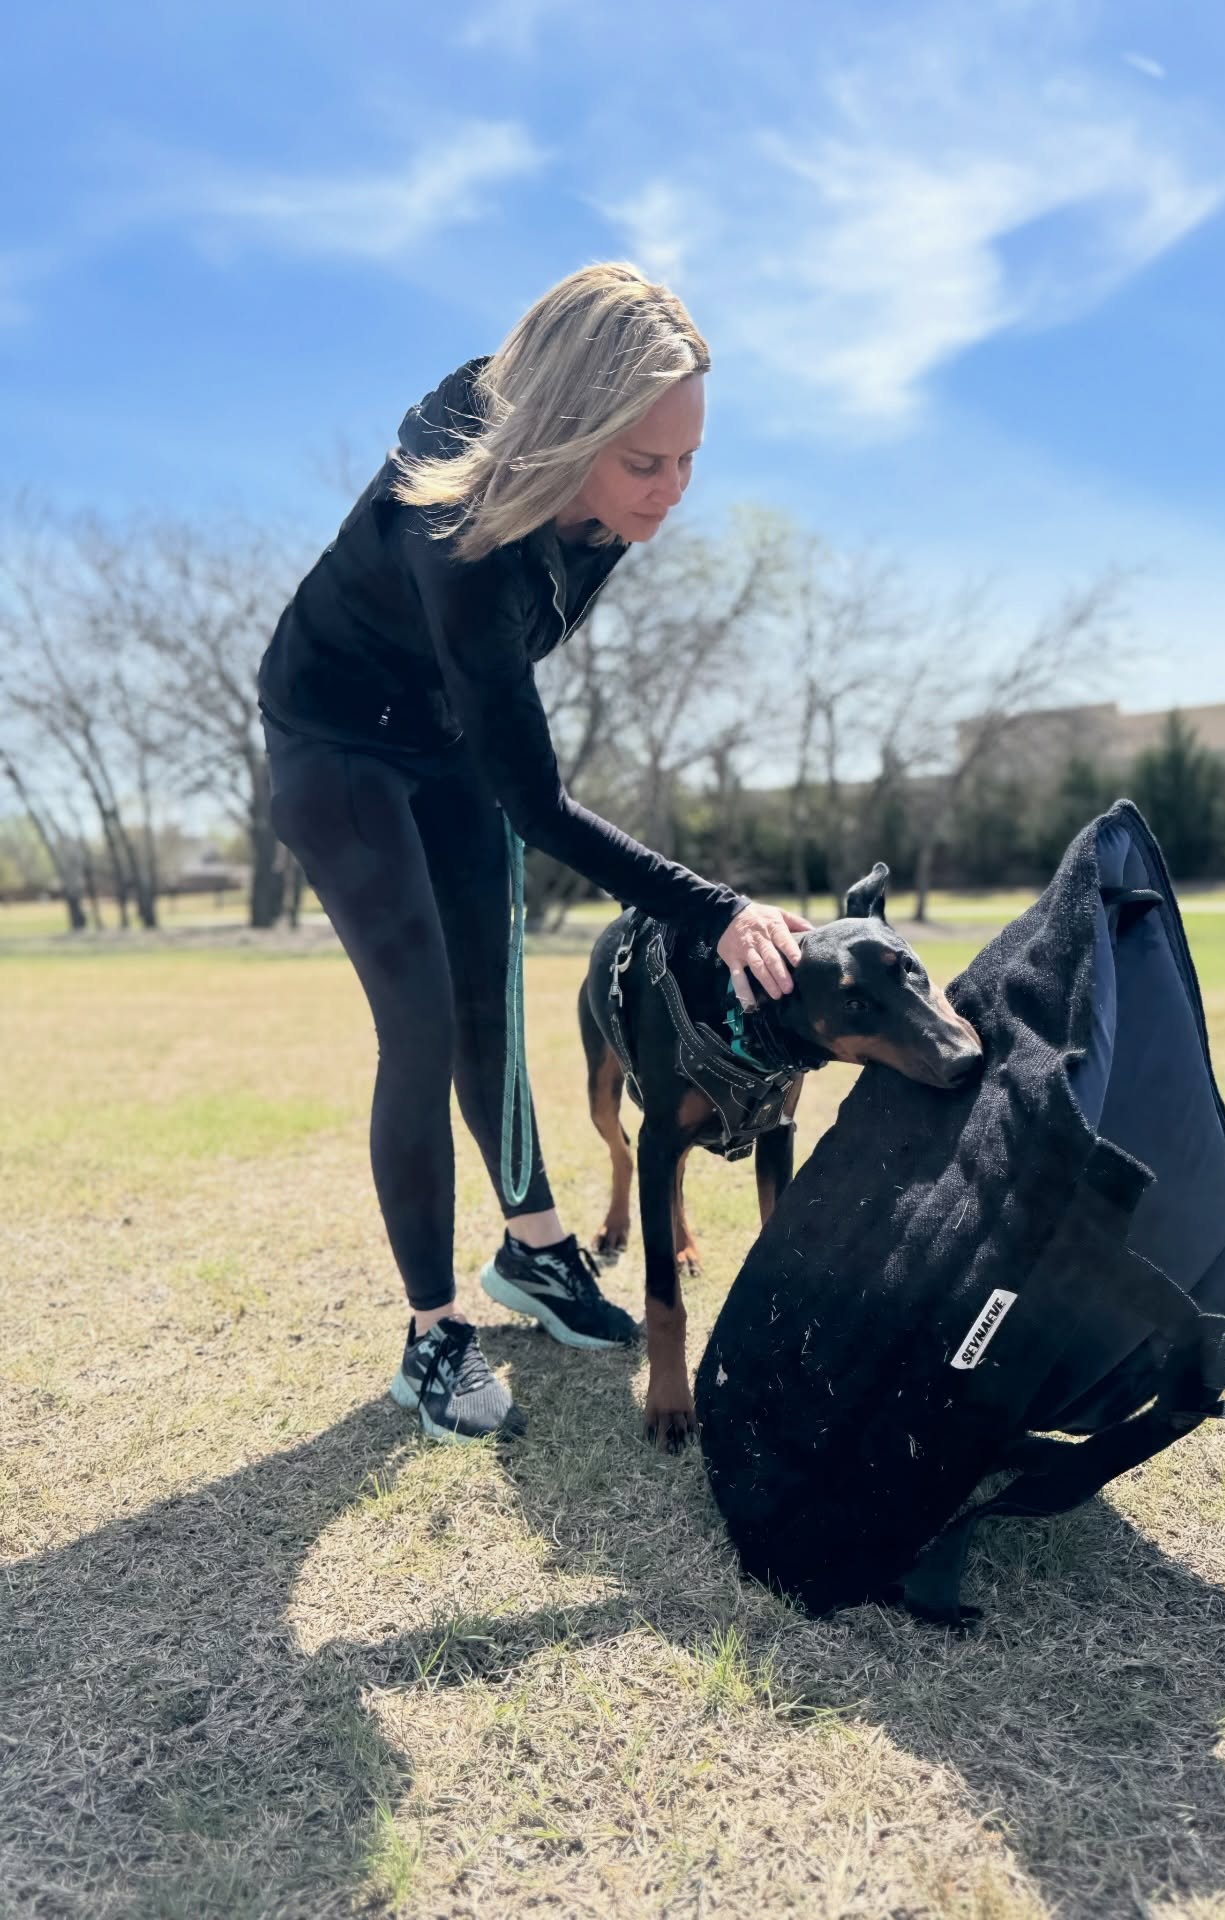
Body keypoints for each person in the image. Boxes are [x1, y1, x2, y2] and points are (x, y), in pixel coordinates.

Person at [257, 262, 809, 1446]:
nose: (671, 493)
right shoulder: (460, 531)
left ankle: (535, 1249)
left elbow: (502, 726)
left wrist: (629, 486)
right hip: (338, 741)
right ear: (568, 433)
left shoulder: (603, 506)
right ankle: (432, 1333)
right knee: (420, 1028)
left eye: (689, 459)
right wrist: (718, 910)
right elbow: (540, 804)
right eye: (646, 463)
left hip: (448, 735)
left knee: (492, 1018)